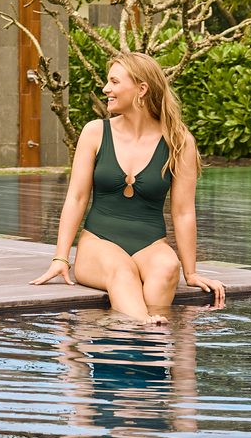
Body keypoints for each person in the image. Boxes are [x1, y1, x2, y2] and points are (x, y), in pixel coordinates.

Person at [29, 52, 227, 323]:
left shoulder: (179, 142)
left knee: (168, 267)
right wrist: (61, 258)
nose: (105, 89)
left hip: (149, 243)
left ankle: (139, 339)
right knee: (121, 270)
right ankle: (144, 324)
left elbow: (183, 212)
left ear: (141, 89)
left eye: (114, 82)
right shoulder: (95, 132)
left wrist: (190, 272)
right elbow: (76, 198)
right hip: (99, 242)